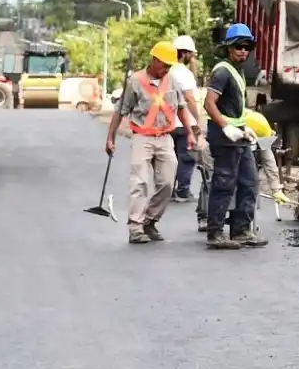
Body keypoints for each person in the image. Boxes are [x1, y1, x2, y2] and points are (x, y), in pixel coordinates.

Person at [105, 41, 200, 245]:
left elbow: (181, 108)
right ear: (154, 60)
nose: (166, 69)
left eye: (169, 66)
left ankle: (150, 219)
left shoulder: (171, 80)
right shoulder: (135, 81)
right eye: (164, 65)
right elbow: (120, 111)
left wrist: (191, 133)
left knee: (167, 182)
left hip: (165, 137)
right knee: (139, 182)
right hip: (142, 137)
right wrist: (110, 138)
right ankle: (135, 227)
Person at [202, 23, 267, 250]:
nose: (243, 50)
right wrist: (226, 127)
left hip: (238, 136)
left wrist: (243, 127)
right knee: (224, 183)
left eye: (247, 46)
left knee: (249, 182)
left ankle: (241, 230)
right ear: (229, 48)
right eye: (239, 46)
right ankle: (215, 233)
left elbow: (234, 108)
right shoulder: (222, 71)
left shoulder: (236, 70)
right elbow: (209, 104)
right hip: (224, 137)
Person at [168, 35, 201, 204]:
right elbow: (189, 98)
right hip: (184, 123)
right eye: (191, 54)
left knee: (171, 158)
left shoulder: (168, 71)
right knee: (187, 157)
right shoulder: (183, 73)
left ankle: (169, 190)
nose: (192, 58)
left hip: (168, 122)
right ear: (185, 54)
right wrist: (198, 119)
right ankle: (183, 191)